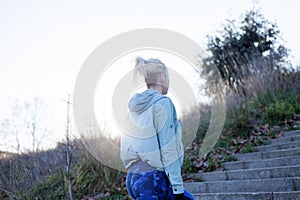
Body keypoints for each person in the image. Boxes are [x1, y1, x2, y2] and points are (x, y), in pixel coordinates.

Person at [120, 57, 194, 200]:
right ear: (162, 77)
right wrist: (177, 186)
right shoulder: (163, 103)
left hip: (133, 179)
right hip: (152, 179)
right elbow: (169, 147)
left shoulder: (134, 108)